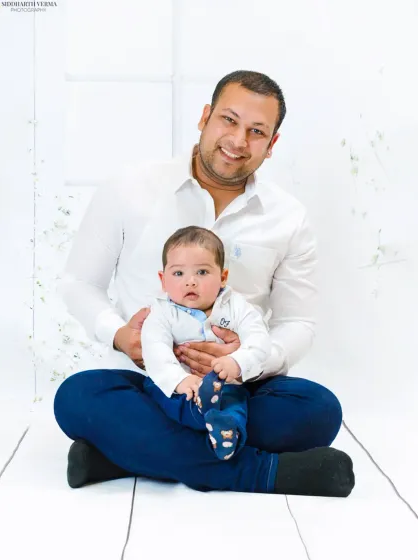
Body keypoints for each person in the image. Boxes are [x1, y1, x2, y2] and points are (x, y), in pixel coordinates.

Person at [54, 70, 355, 497]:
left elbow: (298, 323)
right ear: (204, 117)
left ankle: (118, 454)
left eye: (256, 131)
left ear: (272, 146)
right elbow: (78, 282)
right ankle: (263, 473)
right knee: (76, 397)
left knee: (319, 410)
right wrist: (122, 337)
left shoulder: (288, 218)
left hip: (238, 389)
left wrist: (247, 358)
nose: (237, 141)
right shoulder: (130, 187)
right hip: (148, 383)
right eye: (228, 120)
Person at [141, 225, 272, 461]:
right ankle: (201, 416)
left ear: (222, 277)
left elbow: (260, 340)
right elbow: (155, 349)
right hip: (180, 387)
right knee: (160, 395)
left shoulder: (236, 306)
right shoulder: (161, 313)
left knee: (236, 403)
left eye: (202, 272)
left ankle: (226, 432)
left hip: (224, 385)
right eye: (178, 274)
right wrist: (180, 380)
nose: (190, 282)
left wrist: (237, 361)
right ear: (163, 280)